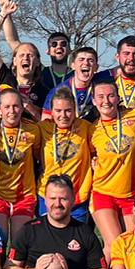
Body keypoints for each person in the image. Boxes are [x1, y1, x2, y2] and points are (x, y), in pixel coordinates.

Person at [0, 88, 42, 242]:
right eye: (7, 107)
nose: (12, 111)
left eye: (16, 106)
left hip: (24, 195)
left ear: (22, 107)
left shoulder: (33, 130)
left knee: (20, 242)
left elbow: (39, 157)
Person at [88, 79, 135, 244]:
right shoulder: (91, 129)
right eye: (101, 97)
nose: (106, 101)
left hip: (131, 193)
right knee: (114, 245)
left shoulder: (134, 115)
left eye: (111, 96)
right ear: (94, 100)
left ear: (118, 98)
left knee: (134, 244)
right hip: (103, 192)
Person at [39, 88, 93, 219]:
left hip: (76, 198)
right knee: (49, 238)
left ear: (75, 111)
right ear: (51, 112)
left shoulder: (86, 128)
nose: (63, 115)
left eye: (68, 110)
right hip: (47, 196)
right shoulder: (42, 129)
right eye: (58, 111)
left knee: (74, 239)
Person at [59, 47, 100, 117]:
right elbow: (46, 121)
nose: (86, 63)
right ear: (73, 65)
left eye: (90, 60)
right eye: (81, 59)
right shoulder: (59, 91)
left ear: (96, 67)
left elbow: (118, 70)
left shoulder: (102, 84)